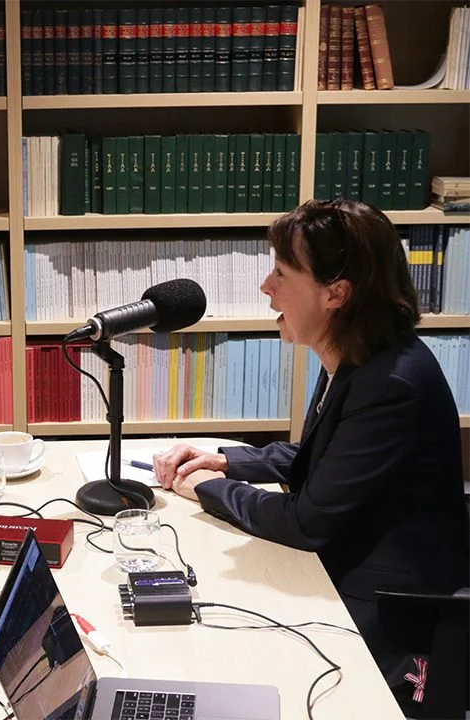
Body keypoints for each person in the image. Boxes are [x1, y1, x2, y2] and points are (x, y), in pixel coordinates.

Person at [152, 199, 469, 710]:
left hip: (392, 609)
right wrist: (226, 461)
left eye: (281, 272)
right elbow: (324, 454)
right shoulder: (362, 353)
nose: (265, 287)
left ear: (336, 294)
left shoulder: (392, 383)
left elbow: (306, 521)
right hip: (348, 563)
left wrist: (206, 489)